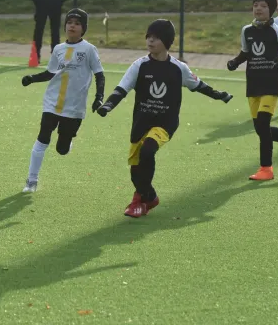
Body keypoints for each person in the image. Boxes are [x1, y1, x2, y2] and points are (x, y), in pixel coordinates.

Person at [96, 19, 233, 217]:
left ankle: (142, 198)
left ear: (167, 42)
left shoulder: (179, 69)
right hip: (141, 122)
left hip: (165, 124)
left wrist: (219, 94)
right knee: (136, 172)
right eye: (148, 37)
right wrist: (108, 105)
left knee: (148, 150)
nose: (150, 41)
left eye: (156, 38)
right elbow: (121, 89)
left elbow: (199, 85)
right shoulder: (139, 66)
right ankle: (147, 197)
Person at [21, 8, 104, 192]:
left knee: (62, 149)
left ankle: (67, 140)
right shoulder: (58, 49)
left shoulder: (89, 49)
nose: (72, 26)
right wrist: (32, 78)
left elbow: (99, 75)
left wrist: (99, 97)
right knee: (43, 138)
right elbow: (50, 73)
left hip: (74, 107)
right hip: (52, 103)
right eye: (69, 22)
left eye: (77, 23)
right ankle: (31, 181)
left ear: (83, 28)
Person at [226, 0, 278, 181]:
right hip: (253, 84)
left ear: (271, 10)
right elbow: (246, 52)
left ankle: (266, 169)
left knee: (262, 123)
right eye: (255, 5)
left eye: (263, 6)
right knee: (261, 128)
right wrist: (235, 62)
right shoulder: (247, 30)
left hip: (271, 83)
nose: (258, 9)